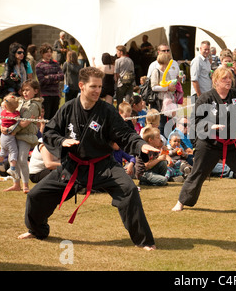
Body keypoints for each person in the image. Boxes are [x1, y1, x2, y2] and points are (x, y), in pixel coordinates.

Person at [17, 67, 158, 251]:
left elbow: (125, 134)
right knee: (36, 196)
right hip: (72, 167)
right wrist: (62, 140)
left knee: (129, 190)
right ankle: (37, 230)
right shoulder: (68, 109)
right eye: (93, 86)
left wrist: (140, 145)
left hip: (103, 166)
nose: (98, 90)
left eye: (100, 86)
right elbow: (50, 132)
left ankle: (144, 241)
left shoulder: (107, 111)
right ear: (82, 86)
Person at [172, 66, 236, 217]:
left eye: (229, 78)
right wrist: (211, 126)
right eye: (224, 78)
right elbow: (195, 122)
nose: (228, 81)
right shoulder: (206, 98)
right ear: (216, 81)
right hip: (209, 143)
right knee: (198, 172)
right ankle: (181, 202)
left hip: (231, 143)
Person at [2, 80, 43, 193]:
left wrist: (10, 130)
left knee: (22, 159)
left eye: (27, 90)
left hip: (26, 136)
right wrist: (3, 126)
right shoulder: (20, 102)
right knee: (12, 158)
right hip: (15, 134)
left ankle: (25, 185)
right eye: (23, 90)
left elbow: (23, 122)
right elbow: (10, 114)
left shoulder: (34, 105)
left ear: (35, 91)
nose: (25, 92)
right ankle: (16, 184)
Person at [150, 52, 177, 136]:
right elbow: (153, 87)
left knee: (167, 123)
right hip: (158, 102)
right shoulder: (156, 71)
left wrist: (172, 88)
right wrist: (167, 88)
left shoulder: (167, 72)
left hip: (167, 102)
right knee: (160, 123)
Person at [35, 43, 64, 120]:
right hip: (45, 95)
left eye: (50, 52)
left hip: (55, 94)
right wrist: (55, 79)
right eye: (47, 52)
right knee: (45, 118)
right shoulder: (39, 66)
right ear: (42, 53)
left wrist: (49, 77)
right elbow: (42, 80)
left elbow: (61, 76)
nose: (49, 54)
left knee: (54, 118)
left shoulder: (56, 64)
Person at [0, 94, 21, 180]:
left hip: (3, 136)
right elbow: (16, 118)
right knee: (13, 152)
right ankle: (12, 168)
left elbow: (13, 112)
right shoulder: (13, 116)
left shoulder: (3, 113)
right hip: (9, 137)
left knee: (3, 150)